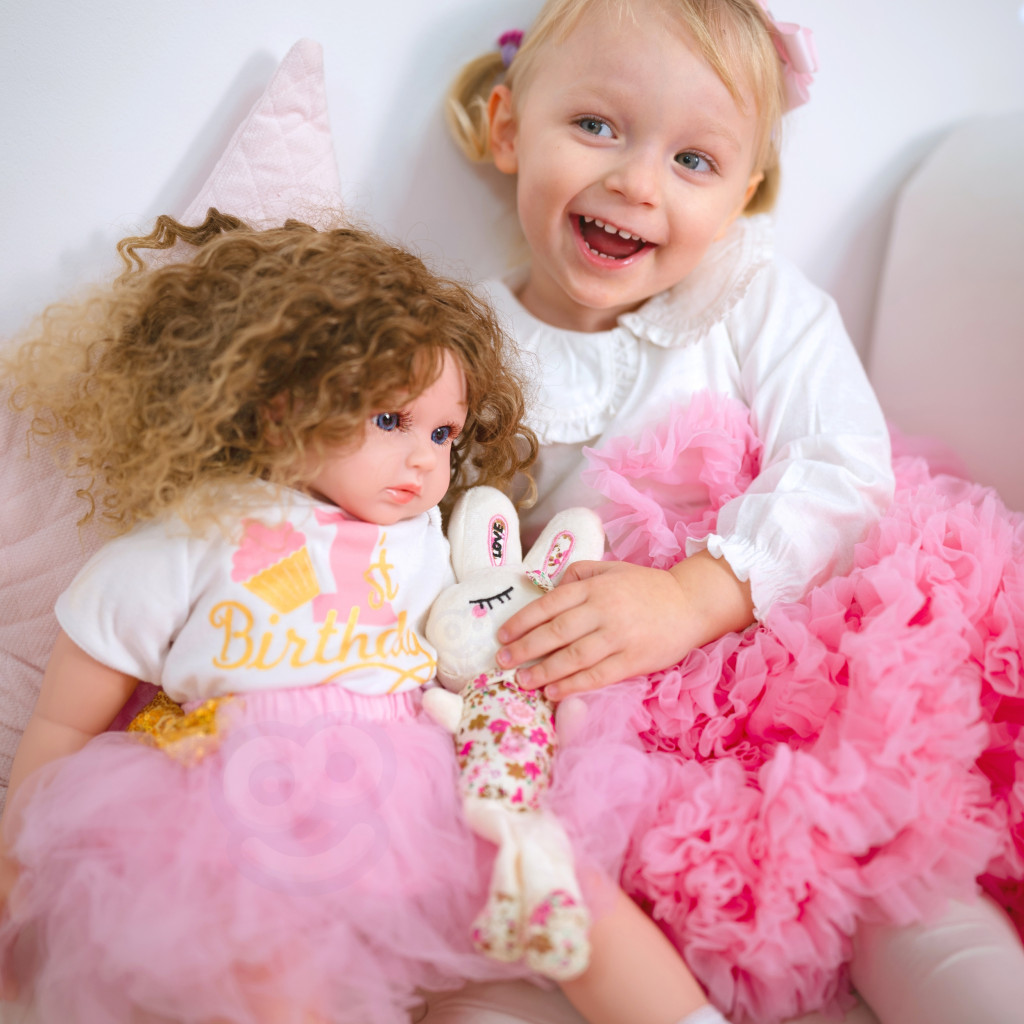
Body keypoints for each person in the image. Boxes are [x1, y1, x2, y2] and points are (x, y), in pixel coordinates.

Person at [0, 211, 750, 1024]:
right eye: (391, 421)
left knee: (562, 886)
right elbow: (65, 720)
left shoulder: (423, 540)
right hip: (247, 804)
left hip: (417, 790)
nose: (426, 458)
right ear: (282, 407)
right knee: (271, 965)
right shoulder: (197, 535)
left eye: (444, 432)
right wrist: (16, 866)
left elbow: (468, 643)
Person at [443, 1, 1024, 1022]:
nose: (637, 182)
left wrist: (692, 596)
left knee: (902, 883)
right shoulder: (458, 341)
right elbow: (426, 517)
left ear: (742, 193)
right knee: (548, 899)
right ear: (507, 127)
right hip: (602, 710)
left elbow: (845, 465)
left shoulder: (753, 299)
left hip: (786, 656)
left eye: (693, 161)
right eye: (596, 126)